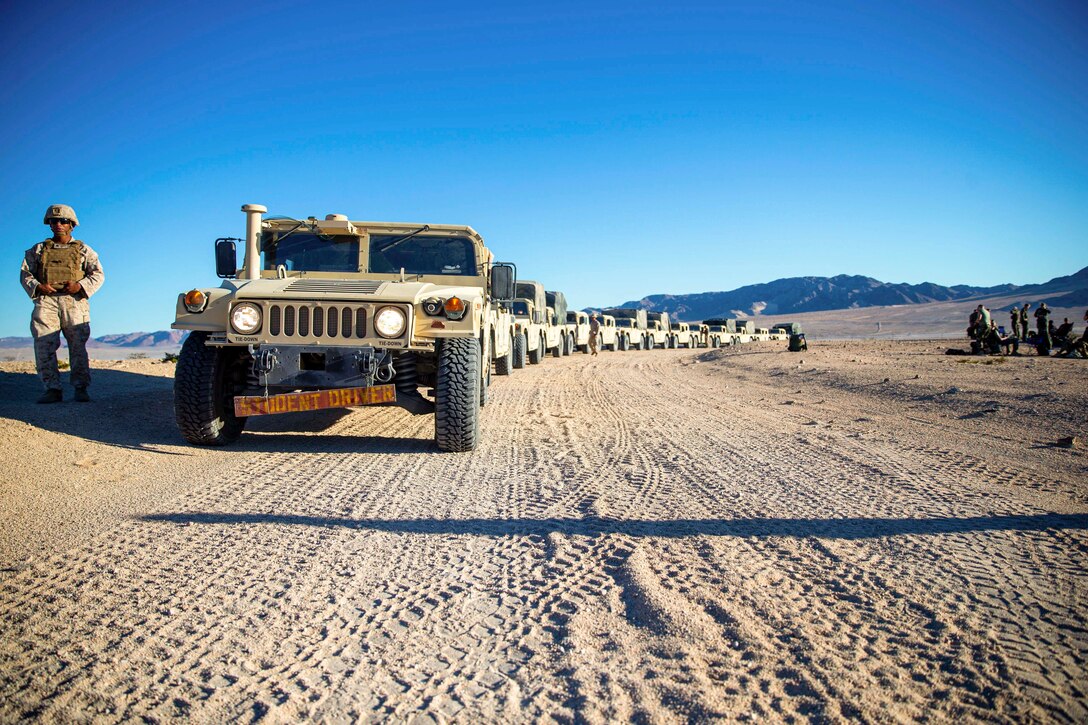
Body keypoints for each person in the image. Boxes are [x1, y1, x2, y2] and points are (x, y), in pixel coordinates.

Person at [20, 204, 105, 403]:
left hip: (74, 301)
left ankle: (80, 387)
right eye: (54, 221)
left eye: (63, 221)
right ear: (49, 224)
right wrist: (38, 287)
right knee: (44, 345)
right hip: (46, 301)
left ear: (72, 225)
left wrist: (80, 286)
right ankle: (52, 389)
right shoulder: (38, 250)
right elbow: (25, 274)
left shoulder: (84, 250)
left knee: (77, 346)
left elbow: (98, 274)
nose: (58, 224)